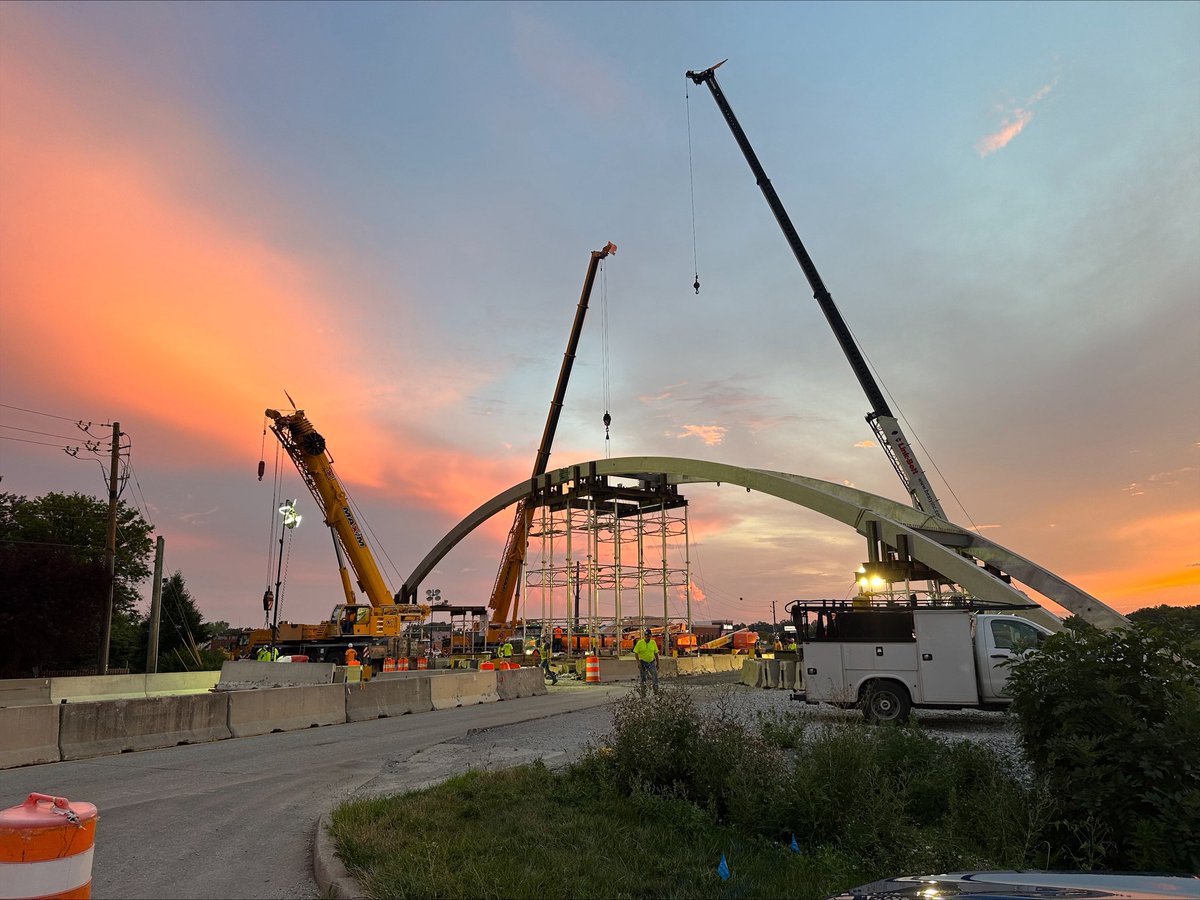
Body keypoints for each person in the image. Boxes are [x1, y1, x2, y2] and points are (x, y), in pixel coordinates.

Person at [633, 627, 659, 694]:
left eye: (650, 636)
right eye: (647, 636)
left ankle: (655, 688)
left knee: (655, 674)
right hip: (643, 662)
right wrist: (638, 662)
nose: (648, 637)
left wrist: (658, 663)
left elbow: (656, 653)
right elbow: (636, 653)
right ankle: (643, 690)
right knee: (643, 676)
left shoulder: (653, 643)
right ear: (645, 636)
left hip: (651, 662)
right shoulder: (640, 643)